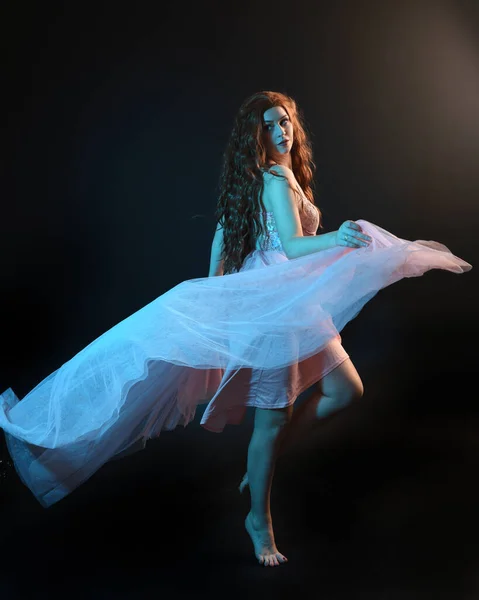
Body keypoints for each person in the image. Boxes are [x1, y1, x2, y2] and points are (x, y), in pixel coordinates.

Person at [0, 91, 472, 567]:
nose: (280, 131)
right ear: (255, 138)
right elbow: (291, 245)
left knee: (345, 390)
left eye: (284, 121)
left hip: (291, 300)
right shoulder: (275, 177)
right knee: (273, 420)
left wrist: (221, 288)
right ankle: (259, 521)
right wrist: (338, 238)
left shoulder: (268, 183)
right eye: (268, 126)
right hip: (275, 306)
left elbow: (228, 233)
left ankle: (266, 463)